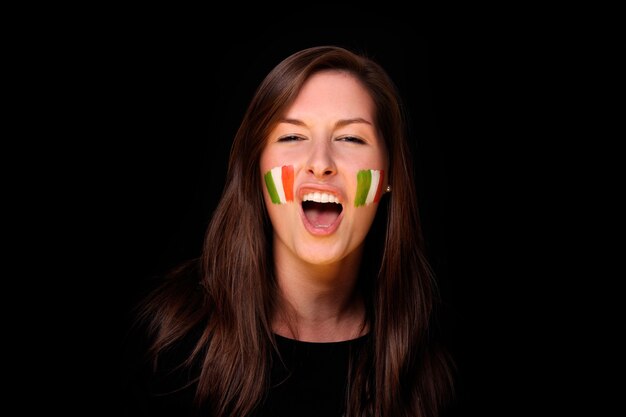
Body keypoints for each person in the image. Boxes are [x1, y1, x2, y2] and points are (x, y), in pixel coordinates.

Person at [122, 45, 455, 417]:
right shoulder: (168, 344)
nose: (320, 164)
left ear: (389, 175)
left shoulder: (436, 363)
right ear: (256, 167)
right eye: (292, 137)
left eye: (351, 139)